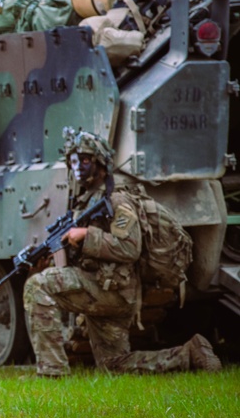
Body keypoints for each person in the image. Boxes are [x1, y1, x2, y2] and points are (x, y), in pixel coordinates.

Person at [23, 127, 222, 377]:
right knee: (114, 364)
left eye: (85, 160)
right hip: (103, 287)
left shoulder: (118, 201)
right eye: (74, 161)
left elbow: (129, 248)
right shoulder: (86, 201)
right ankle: (191, 354)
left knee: (37, 287)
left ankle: (52, 372)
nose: (78, 167)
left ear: (101, 164)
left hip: (113, 289)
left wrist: (86, 236)